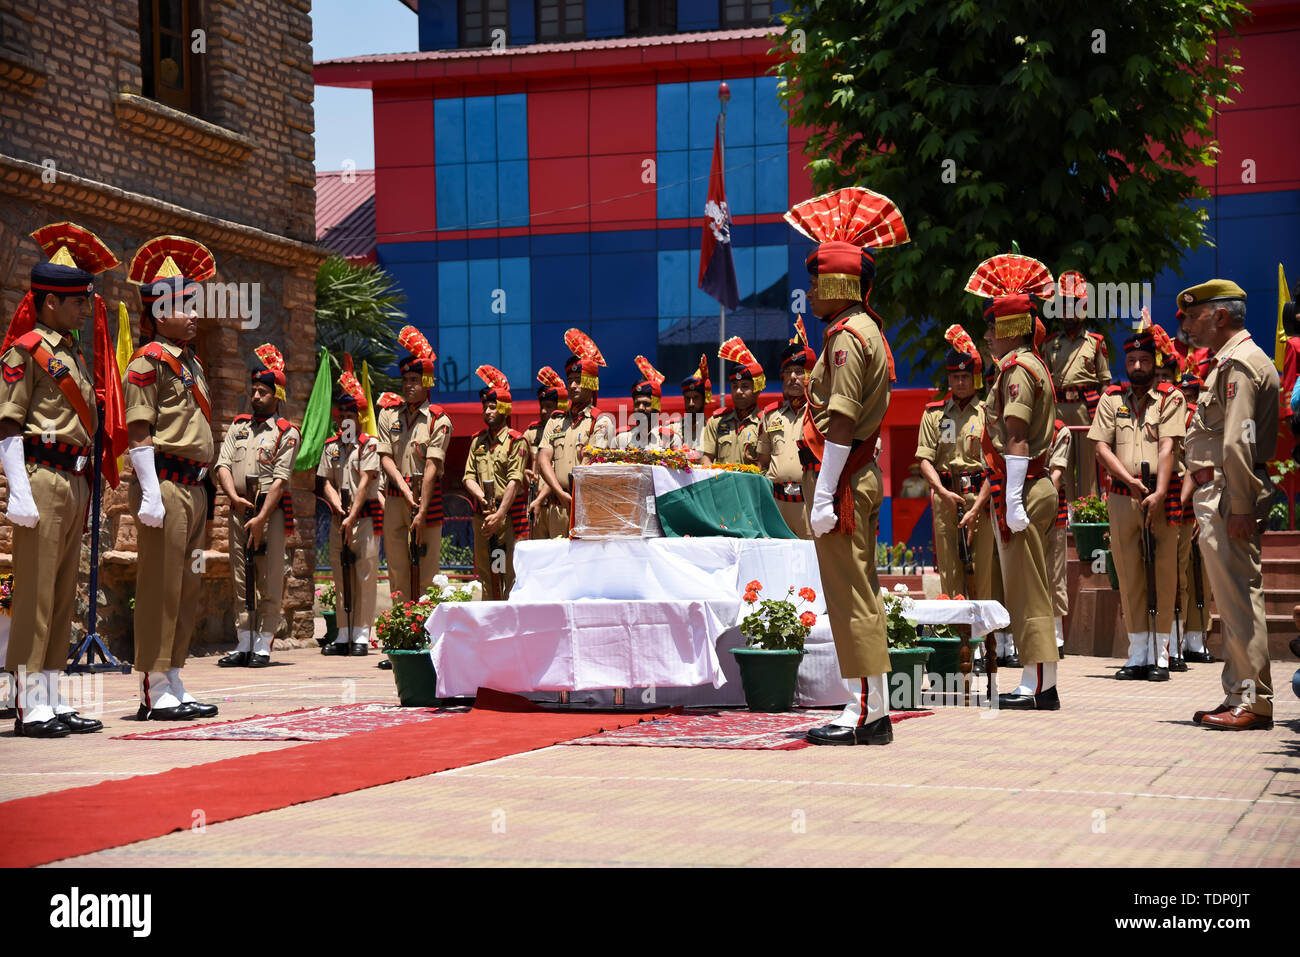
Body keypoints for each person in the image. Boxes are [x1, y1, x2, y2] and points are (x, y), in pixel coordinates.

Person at [785, 186, 908, 745]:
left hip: (843, 478)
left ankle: (862, 711)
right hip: (852, 475)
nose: (810, 290)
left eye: (816, 279)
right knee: (859, 590)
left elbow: (839, 419)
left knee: (850, 592)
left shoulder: (845, 339)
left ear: (837, 282)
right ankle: (872, 708)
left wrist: (823, 493)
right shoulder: (862, 332)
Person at [0, 223, 118, 736]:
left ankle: (49, 689)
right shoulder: (26, 350)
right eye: (75, 302)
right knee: (35, 593)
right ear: (49, 303)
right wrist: (18, 488)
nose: (84, 309)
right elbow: (7, 420)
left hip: (74, 480)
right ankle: (27, 698)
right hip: (41, 477)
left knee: (64, 591)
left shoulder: (71, 354)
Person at [123, 235, 220, 720]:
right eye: (186, 307)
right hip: (166, 484)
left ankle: (174, 677)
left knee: (187, 587)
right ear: (161, 313)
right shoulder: (146, 362)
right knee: (161, 585)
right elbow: (138, 430)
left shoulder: (192, 363)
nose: (195, 315)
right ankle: (153, 683)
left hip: (196, 486)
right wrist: (149, 496)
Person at [1179, 280, 1280, 730]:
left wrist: (1239, 505)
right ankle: (1237, 692)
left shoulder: (1239, 362)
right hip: (1220, 493)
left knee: (1240, 599)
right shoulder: (1230, 361)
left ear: (1219, 316)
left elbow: (1239, 443)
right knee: (1233, 600)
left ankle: (1254, 701)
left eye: (1191, 315)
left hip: (1227, 493)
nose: (1184, 323)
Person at [965, 252, 1060, 709]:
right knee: (1025, 583)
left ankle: (1038, 683)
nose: (985, 337)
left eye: (991, 328)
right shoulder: (1026, 364)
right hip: (1025, 485)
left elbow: (1017, 437)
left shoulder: (1018, 369)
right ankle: (1038, 678)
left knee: (1027, 584)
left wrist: (1016, 499)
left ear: (1009, 328)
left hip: (1023, 486)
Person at [1089, 323, 1187, 681]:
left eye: (1144, 359)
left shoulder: (1171, 397)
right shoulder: (1111, 399)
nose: (1138, 366)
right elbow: (1101, 447)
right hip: (1122, 494)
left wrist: (1159, 491)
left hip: (1161, 494)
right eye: (1131, 360)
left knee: (1163, 572)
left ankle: (1160, 654)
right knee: (1129, 572)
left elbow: (1168, 446)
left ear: (1153, 361)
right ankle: (1136, 654)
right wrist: (1127, 480)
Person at [214, 344, 299, 668]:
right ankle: (244, 642)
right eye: (254, 391)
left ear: (276, 395)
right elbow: (222, 464)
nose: (256, 397)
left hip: (269, 513)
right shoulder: (238, 427)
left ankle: (263, 644)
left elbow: (280, 479)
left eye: (263, 392)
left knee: (270, 578)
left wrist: (262, 517)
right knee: (240, 577)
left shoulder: (285, 433)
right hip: (239, 511)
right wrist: (233, 498)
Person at [378, 327, 449, 602]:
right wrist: (406, 493)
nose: (409, 385)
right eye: (405, 379)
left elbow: (432, 466)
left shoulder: (438, 419)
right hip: (397, 498)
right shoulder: (388, 415)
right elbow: (385, 458)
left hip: (427, 499)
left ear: (427, 382)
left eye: (415, 379)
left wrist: (420, 506)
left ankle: (425, 628)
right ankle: (402, 625)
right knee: (396, 567)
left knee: (427, 567)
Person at [916, 325, 987, 598]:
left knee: (982, 569)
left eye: (966, 377)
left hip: (979, 497)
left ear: (974, 379)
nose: (960, 383)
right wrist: (942, 492)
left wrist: (978, 504)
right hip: (945, 497)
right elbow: (924, 460)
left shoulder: (987, 413)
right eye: (955, 377)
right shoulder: (934, 415)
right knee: (949, 569)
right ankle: (960, 636)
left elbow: (994, 464)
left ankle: (989, 637)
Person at [317, 371, 382, 655]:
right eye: (341, 413)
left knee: (364, 575)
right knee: (340, 574)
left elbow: (366, 481)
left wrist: (351, 514)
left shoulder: (369, 445)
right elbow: (326, 482)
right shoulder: (331, 447)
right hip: (338, 517)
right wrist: (336, 505)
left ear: (359, 418)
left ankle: (362, 635)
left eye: (351, 413)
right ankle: (343, 634)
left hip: (364, 518)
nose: (345, 418)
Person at [536, 329, 616, 536]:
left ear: (591, 382)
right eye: (570, 380)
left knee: (583, 565)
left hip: (585, 506)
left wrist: (569, 496)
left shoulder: (601, 421)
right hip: (556, 506)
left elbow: (589, 464)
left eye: (579, 380)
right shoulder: (555, 421)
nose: (572, 385)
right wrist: (559, 492)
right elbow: (543, 458)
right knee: (555, 565)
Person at [1043, 269, 1111, 500]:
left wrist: (1104, 415)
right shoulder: (1049, 344)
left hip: (1086, 408)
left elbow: (1105, 384)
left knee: (1087, 466)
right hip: (1058, 407)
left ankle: (1088, 511)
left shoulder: (1096, 342)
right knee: (1060, 462)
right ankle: (1065, 513)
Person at [464, 366, 529, 600]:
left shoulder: (516, 441)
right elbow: (468, 476)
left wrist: (499, 515)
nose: (488, 411)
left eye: (493, 407)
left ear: (503, 409)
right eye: (485, 406)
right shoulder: (477, 441)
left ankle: (513, 629)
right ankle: (491, 627)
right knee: (487, 574)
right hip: (483, 516)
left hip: (508, 518)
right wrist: (482, 499)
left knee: (510, 574)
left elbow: (515, 480)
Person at [1174, 368, 1216, 664]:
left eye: (1192, 394)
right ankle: (1178, 640)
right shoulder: (1171, 417)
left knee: (1201, 573)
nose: (1188, 399)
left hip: (1199, 498)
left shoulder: (1199, 418)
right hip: (1174, 500)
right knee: (1179, 575)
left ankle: (1196, 638)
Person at [764, 325, 816, 538]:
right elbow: (763, 462)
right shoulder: (770, 415)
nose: (793, 377)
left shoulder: (821, 413)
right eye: (788, 372)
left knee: (812, 563)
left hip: (808, 503)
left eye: (799, 371)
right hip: (777, 503)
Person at [702, 336, 770, 468]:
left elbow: (765, 465)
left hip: (751, 487)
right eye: (735, 386)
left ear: (757, 389)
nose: (738, 391)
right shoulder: (716, 421)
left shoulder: (765, 423)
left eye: (745, 386)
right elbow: (706, 458)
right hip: (721, 486)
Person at [524, 367, 564, 537]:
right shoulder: (531, 433)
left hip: (556, 503)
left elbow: (556, 470)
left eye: (548, 407)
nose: (543, 411)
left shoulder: (563, 430)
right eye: (542, 406)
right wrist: (524, 472)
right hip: (535, 501)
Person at [1047, 418, 1072, 657]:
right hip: (1016, 506)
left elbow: (1056, 474)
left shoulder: (1058, 430)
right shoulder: (1014, 426)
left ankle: (1056, 637)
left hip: (1050, 507)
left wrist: (1038, 505)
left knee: (1055, 573)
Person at [678, 354, 712, 452]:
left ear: (704, 399)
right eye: (687, 398)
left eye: (696, 398)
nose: (691, 403)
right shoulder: (674, 427)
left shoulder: (712, 428)